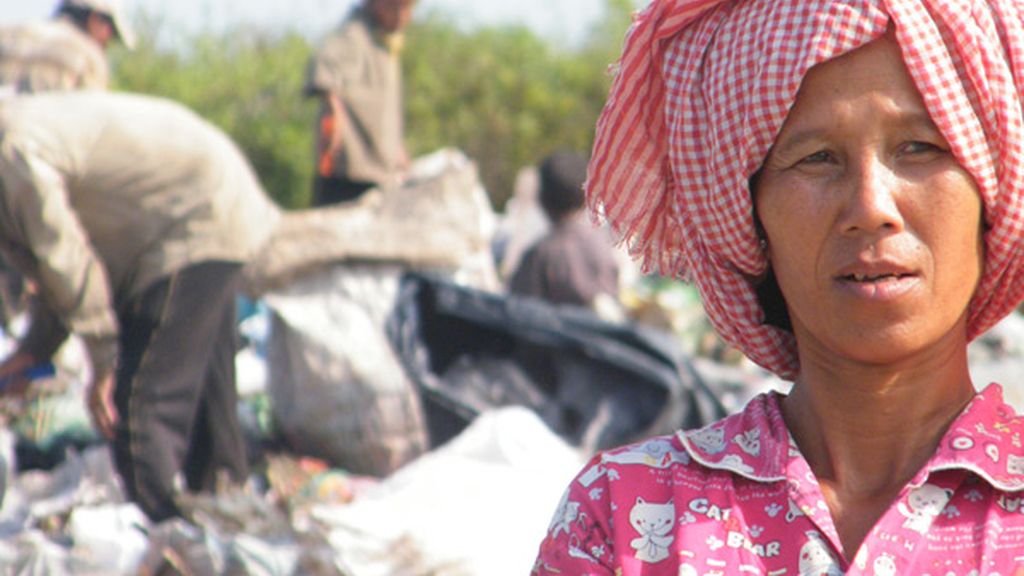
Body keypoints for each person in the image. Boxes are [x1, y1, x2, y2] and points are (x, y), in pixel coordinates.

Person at [533, 0, 1024, 573]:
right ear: (749, 218)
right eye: (817, 158)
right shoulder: (625, 516)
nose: (871, 208)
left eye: (920, 147)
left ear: (993, 195)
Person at [0, 91, 280, 523]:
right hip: (207, 202)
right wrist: (32, 354)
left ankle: (173, 546)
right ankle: (230, 533)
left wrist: (104, 359)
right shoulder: (17, 141)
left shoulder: (12, 151)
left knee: (135, 414)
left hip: (188, 218)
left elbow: (66, 258)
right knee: (208, 414)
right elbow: (51, 267)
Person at [303, 0, 415, 206]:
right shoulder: (355, 34)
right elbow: (324, 67)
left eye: (407, 9)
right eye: (394, 7)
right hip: (350, 175)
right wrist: (333, 109)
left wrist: (397, 149)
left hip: (381, 172)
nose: (401, 17)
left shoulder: (383, 40)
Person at [508, 151, 620, 312]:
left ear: (542, 199)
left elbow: (517, 314)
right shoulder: (603, 249)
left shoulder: (539, 255)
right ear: (585, 197)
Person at [0, 0, 135, 93]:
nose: (108, 42)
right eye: (112, 32)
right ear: (96, 21)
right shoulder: (90, 59)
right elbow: (91, 122)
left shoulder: (7, 34)